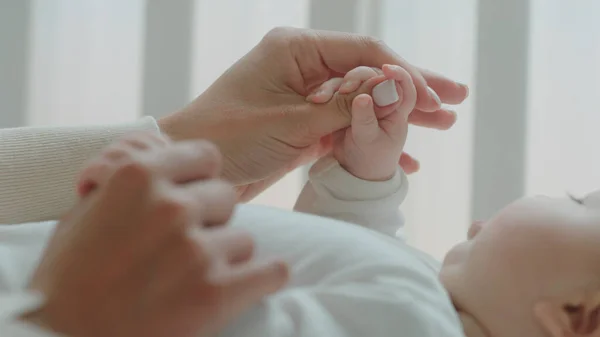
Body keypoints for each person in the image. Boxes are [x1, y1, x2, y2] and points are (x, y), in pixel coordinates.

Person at [0, 27, 469, 336]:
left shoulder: (426, 325)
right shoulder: (428, 293)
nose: (480, 225)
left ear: (546, 319)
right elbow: (356, 252)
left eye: (545, 203)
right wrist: (362, 170)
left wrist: (55, 323)